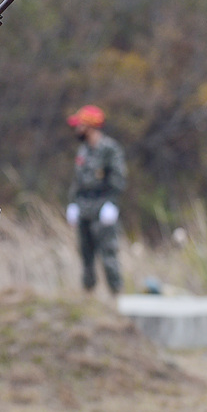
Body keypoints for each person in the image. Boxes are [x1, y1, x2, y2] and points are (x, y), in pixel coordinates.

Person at [65, 104, 127, 294]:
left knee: (108, 254)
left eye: (80, 125)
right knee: (85, 254)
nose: (77, 129)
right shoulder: (83, 150)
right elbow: (78, 181)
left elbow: (118, 178)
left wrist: (112, 204)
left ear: (90, 127)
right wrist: (73, 204)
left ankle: (116, 295)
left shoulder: (109, 149)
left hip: (102, 207)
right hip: (83, 207)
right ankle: (88, 295)